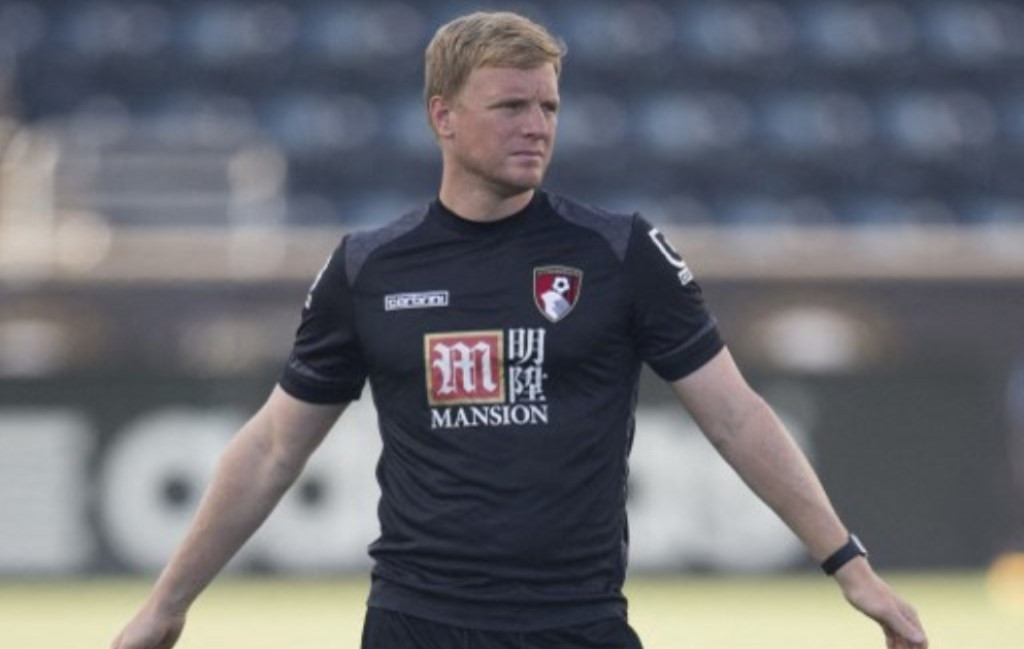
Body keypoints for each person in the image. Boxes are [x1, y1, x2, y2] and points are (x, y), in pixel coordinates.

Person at [112, 11, 928, 649]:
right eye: (510, 106)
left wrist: (848, 565)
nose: (537, 125)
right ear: (443, 116)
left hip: (576, 620)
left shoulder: (621, 252)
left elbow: (737, 416)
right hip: (416, 622)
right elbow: (271, 447)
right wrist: (166, 604)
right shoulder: (368, 268)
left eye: (548, 106)